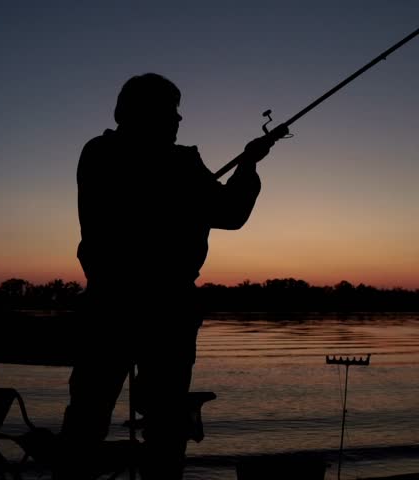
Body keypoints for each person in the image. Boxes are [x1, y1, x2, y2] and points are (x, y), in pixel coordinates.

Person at [57, 73, 285, 479]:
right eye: (172, 111)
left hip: (105, 306)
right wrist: (248, 164)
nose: (179, 120)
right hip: (167, 312)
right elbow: (231, 214)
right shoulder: (180, 164)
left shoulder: (96, 153)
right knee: (164, 426)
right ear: (149, 113)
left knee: (87, 418)